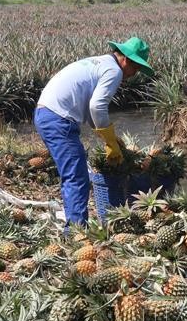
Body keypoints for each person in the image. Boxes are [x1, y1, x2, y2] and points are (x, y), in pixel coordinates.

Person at [34, 37, 153, 227]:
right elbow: (97, 106)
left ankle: (75, 225)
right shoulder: (113, 71)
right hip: (58, 118)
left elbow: (91, 110)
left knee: (73, 173)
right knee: (77, 176)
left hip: (47, 114)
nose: (134, 74)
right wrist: (110, 142)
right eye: (136, 68)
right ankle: (76, 231)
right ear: (127, 60)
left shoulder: (101, 63)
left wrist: (109, 138)